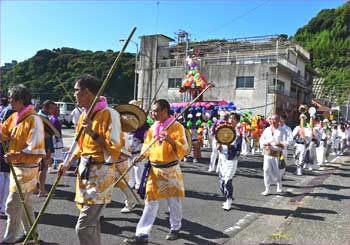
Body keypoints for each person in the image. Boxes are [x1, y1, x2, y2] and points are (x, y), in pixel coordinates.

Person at [58, 74, 123, 245]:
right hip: (85, 173)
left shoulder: (110, 114)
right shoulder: (83, 116)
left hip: (101, 174)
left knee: (83, 227)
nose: (74, 94)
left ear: (86, 92)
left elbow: (115, 148)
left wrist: (93, 134)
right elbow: (79, 145)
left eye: (76, 90)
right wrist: (66, 163)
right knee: (92, 224)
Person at [124, 99, 188, 244]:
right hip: (154, 170)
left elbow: (184, 149)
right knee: (150, 202)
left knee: (174, 201)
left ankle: (175, 228)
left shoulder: (177, 126)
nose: (153, 114)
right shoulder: (154, 127)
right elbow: (147, 146)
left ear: (165, 111)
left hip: (170, 169)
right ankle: (142, 234)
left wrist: (170, 140)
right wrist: (141, 156)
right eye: (152, 111)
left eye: (156, 111)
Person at [0, 84, 46, 244]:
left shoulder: (34, 119)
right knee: (25, 204)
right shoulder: (15, 117)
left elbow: (37, 148)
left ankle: (9, 238)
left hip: (27, 169)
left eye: (11, 98)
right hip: (17, 168)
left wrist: (16, 154)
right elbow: (3, 133)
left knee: (12, 204)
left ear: (20, 100)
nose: (9, 100)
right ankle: (32, 235)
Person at [216, 112, 242, 211]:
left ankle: (229, 200)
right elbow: (218, 141)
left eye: (234, 119)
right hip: (222, 159)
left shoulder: (238, 135)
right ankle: (227, 197)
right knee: (221, 182)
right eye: (230, 118)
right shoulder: (223, 130)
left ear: (237, 121)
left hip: (231, 160)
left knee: (227, 181)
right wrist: (218, 146)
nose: (231, 120)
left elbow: (238, 150)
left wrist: (230, 146)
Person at [34, 100, 56, 197]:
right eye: (52, 108)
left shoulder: (38, 116)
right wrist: (48, 150)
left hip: (39, 147)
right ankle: (41, 190)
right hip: (43, 147)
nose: (53, 110)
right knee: (43, 168)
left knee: (38, 168)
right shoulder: (42, 118)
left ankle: (36, 188)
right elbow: (45, 136)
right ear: (45, 107)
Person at [259, 114, 284, 195]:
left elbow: (286, 142)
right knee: (266, 170)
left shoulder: (282, 131)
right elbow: (261, 140)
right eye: (271, 119)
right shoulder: (267, 130)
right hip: (267, 153)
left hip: (277, 154)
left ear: (278, 121)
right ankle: (267, 188)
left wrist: (279, 143)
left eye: (275, 120)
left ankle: (279, 184)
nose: (273, 121)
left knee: (277, 171)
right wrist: (265, 144)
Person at [0, 97, 15, 219]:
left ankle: (3, 206)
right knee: (7, 178)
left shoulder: (5, 110)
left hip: (3, 146)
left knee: (3, 176)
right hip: (8, 148)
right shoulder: (12, 111)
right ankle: (4, 206)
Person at [50, 105, 64, 170]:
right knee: (59, 156)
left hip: (52, 140)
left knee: (52, 155)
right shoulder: (55, 120)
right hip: (57, 140)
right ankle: (61, 169)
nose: (59, 112)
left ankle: (49, 168)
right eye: (58, 111)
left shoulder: (51, 118)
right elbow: (55, 131)